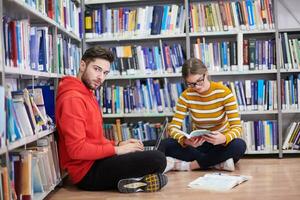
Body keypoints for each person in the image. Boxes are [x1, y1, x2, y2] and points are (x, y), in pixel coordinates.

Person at [55, 46, 167, 193]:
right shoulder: (72, 99)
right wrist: (117, 150)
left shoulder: (87, 93)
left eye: (105, 72)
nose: (101, 77)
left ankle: (131, 181)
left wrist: (119, 143)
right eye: (97, 69)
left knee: (157, 148)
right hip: (87, 174)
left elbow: (94, 140)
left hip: (97, 161)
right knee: (157, 159)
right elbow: (77, 150)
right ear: (82, 65)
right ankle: (135, 180)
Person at [159, 58, 246, 172]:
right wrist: (185, 140)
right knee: (166, 144)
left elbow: (237, 127)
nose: (197, 87)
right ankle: (217, 163)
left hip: (220, 144)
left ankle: (190, 165)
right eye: (191, 84)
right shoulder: (186, 96)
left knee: (239, 145)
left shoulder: (224, 93)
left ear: (206, 73)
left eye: (200, 81)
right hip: (199, 145)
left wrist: (224, 138)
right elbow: (172, 127)